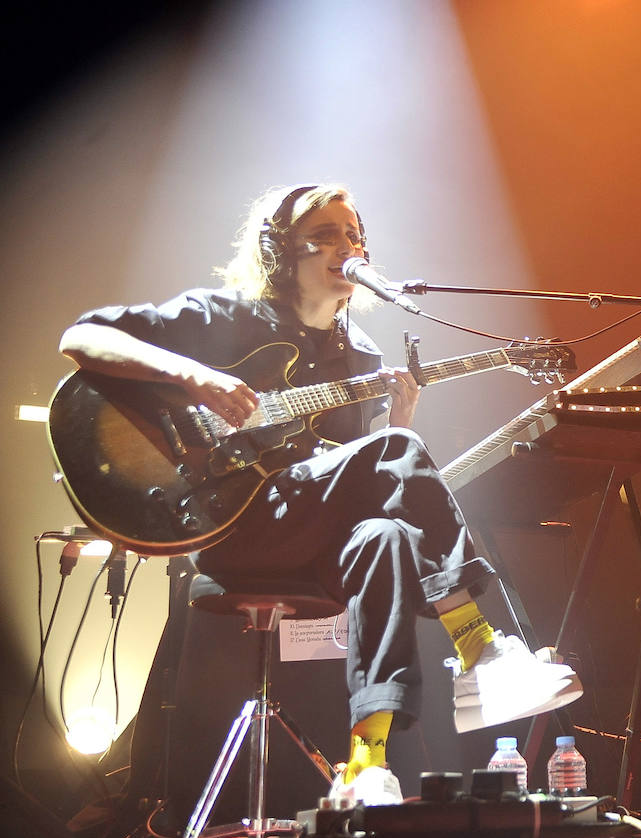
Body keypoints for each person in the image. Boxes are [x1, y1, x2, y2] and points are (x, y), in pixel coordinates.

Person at [57, 183, 581, 806]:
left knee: (386, 537)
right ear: (281, 251)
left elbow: (368, 482)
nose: (347, 248)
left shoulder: (360, 355)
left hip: (309, 532)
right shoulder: (226, 318)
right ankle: (478, 648)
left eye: (355, 235)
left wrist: (399, 420)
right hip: (232, 525)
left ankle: (366, 767)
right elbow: (82, 337)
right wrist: (192, 373)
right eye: (326, 236)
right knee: (391, 463)